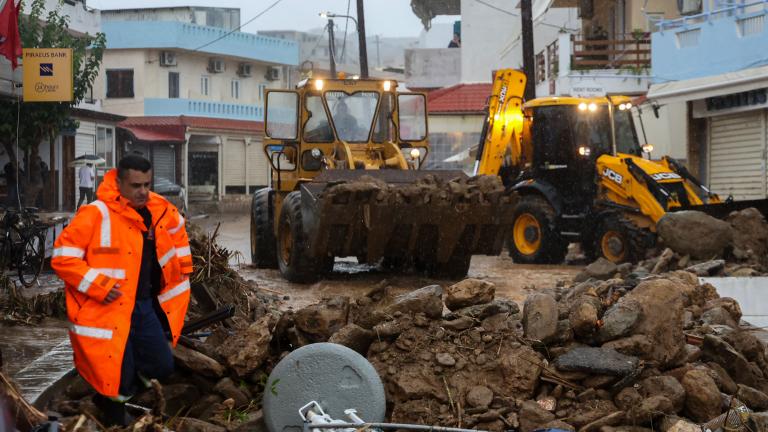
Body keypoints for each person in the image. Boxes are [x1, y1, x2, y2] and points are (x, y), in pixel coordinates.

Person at [52, 155, 193, 427]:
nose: (143, 191)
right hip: (108, 308)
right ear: (118, 183)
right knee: (116, 369)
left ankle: (114, 398)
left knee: (162, 364)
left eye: (147, 185)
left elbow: (178, 235)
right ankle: (113, 412)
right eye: (136, 185)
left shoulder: (159, 210)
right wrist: (99, 286)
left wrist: (183, 270)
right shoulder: (96, 213)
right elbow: (62, 258)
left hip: (143, 304)